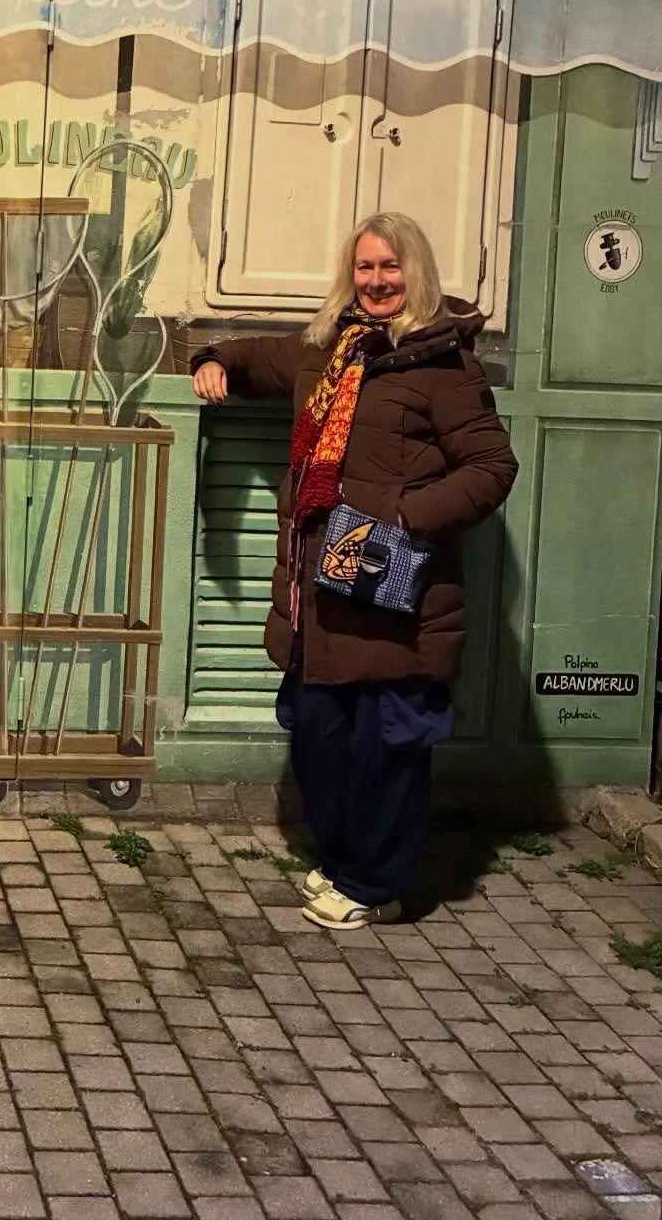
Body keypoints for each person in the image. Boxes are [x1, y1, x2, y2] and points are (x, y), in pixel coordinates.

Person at [190, 213, 517, 929]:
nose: (377, 281)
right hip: (321, 591)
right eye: (366, 268)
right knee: (320, 732)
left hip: (392, 591)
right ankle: (345, 862)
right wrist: (211, 360)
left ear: (418, 274)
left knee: (385, 745)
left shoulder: (443, 367)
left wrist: (403, 516)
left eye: (391, 268)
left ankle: (374, 885)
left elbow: (492, 468)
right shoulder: (329, 353)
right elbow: (252, 356)